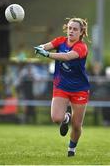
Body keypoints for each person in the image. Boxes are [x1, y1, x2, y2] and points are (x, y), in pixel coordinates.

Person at [34, 17, 90, 157]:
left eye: (75, 29)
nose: (71, 31)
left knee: (77, 126)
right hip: (61, 85)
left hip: (79, 88)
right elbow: (45, 46)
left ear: (81, 32)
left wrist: (47, 54)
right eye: (70, 28)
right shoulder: (60, 41)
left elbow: (67, 57)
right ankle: (65, 118)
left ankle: (71, 149)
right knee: (56, 118)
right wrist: (40, 48)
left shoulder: (81, 47)